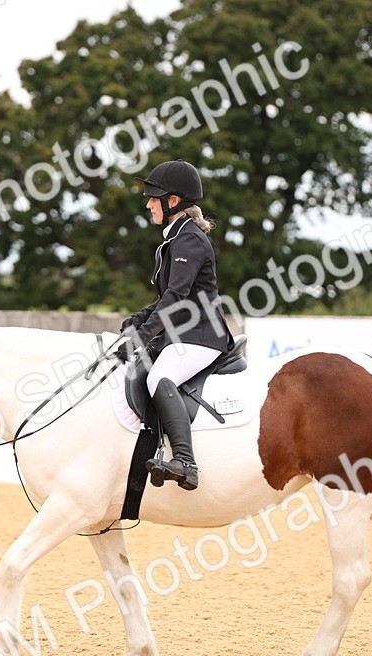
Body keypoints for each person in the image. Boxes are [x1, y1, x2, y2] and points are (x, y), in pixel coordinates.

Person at [119, 159, 231, 491]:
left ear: (173, 202)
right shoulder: (176, 238)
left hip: (201, 335)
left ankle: (185, 462)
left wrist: (142, 336)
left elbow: (177, 297)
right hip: (184, 332)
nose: (148, 203)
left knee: (159, 377)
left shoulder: (189, 240)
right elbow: (168, 295)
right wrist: (139, 319)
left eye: (154, 198)